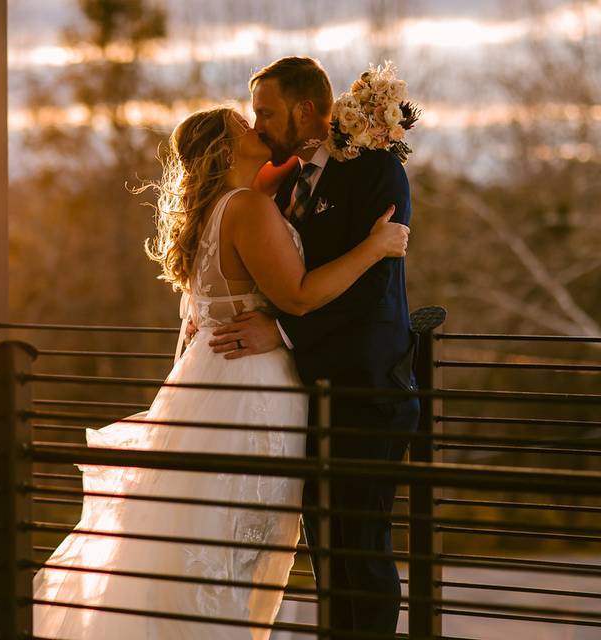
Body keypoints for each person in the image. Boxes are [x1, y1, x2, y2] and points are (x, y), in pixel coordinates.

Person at [32, 105, 408, 639]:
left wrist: (337, 132)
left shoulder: (219, 204)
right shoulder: (249, 208)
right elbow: (298, 297)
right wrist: (376, 248)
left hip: (214, 383)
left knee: (205, 543)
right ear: (227, 150)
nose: (255, 124)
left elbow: (295, 160)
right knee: (235, 549)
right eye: (242, 122)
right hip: (250, 392)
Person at [206, 57, 421, 638]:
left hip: (367, 390)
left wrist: (278, 330)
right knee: (328, 555)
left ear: (305, 110)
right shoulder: (283, 184)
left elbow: (370, 292)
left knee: (361, 552)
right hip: (312, 396)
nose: (259, 126)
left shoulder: (376, 171)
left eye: (267, 113)